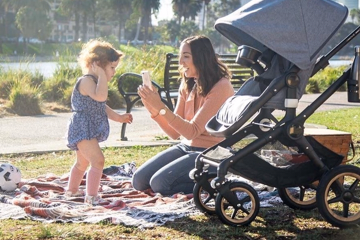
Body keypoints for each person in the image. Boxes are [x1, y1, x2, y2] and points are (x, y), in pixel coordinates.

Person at [132, 35, 234, 195]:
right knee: (139, 180)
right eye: (180, 57)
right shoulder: (189, 84)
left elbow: (191, 131)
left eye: (186, 56)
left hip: (211, 153)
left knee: (159, 183)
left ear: (201, 57)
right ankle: (200, 180)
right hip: (186, 147)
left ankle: (214, 184)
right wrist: (153, 108)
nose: (181, 62)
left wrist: (160, 106)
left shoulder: (221, 87)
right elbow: (174, 133)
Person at [65, 39, 133, 205]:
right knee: (98, 161)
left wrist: (118, 117)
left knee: (82, 162)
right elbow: (101, 97)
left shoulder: (96, 83)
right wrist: (102, 75)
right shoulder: (87, 81)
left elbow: (101, 105)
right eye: (111, 67)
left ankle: (71, 191)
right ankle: (92, 196)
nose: (114, 72)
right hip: (83, 128)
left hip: (86, 128)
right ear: (97, 64)